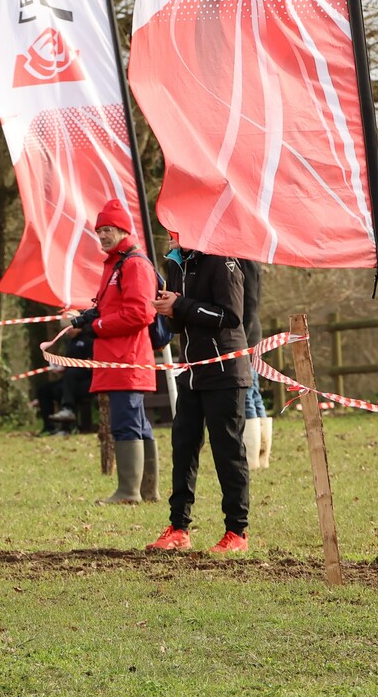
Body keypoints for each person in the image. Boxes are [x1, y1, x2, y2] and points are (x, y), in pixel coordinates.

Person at [148, 247, 252, 553]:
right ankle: (178, 528)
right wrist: (169, 311)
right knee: (183, 449)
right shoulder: (175, 263)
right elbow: (179, 325)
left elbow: (230, 315)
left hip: (225, 372)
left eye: (175, 229)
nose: (170, 236)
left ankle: (237, 532)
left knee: (228, 452)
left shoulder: (222, 260)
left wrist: (181, 304)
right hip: (191, 373)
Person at [64, 201, 160, 504]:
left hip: (127, 359)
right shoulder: (117, 263)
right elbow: (117, 307)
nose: (103, 235)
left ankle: (129, 492)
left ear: (123, 230)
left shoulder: (133, 265)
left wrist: (98, 326)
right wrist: (88, 318)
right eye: (100, 230)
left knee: (126, 423)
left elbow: (141, 313)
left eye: (108, 229)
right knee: (137, 422)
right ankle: (147, 491)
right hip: (118, 357)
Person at [238, 258, 273, 470]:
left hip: (247, 336)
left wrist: (242, 339)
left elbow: (250, 303)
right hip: (249, 334)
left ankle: (253, 457)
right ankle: (260, 456)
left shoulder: (246, 260)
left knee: (248, 395)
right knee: (254, 393)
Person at [39, 328, 94, 434]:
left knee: (71, 374)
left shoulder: (88, 340)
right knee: (44, 390)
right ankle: (50, 428)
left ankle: (68, 409)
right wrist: (61, 368)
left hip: (86, 382)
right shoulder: (69, 342)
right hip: (69, 381)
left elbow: (92, 364)